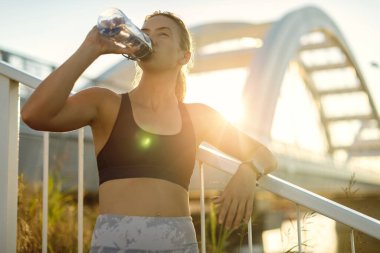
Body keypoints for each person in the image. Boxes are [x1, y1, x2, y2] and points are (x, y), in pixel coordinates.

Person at [21, 10, 277, 252]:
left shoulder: (199, 117)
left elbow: (264, 154)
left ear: (184, 56)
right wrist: (91, 48)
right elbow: (34, 114)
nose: (150, 37)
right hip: (114, 243)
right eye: (145, 31)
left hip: (178, 243)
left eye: (163, 33)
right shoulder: (106, 104)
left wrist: (247, 170)